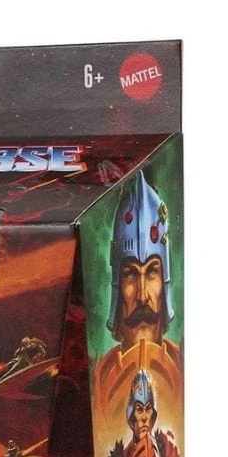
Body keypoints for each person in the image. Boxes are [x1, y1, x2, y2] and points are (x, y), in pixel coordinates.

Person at [92, 172, 182, 421]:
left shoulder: (183, 367)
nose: (143, 296)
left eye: (152, 271)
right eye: (131, 274)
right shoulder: (100, 379)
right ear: (118, 284)